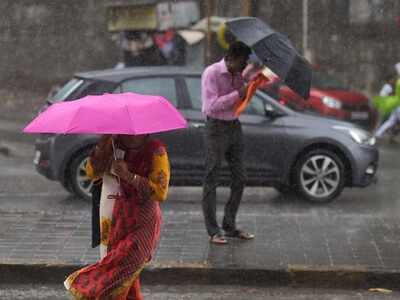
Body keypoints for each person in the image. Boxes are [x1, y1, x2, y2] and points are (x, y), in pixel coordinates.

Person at [64, 134, 170, 299]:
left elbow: (159, 192)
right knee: (125, 277)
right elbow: (92, 173)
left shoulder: (155, 150)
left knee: (117, 276)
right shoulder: (112, 143)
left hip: (143, 223)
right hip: (116, 220)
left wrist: (129, 176)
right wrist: (103, 150)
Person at [201, 41, 255, 245]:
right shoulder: (212, 73)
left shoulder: (239, 73)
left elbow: (239, 102)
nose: (243, 68)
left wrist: (250, 89)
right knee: (212, 177)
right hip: (215, 128)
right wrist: (238, 93)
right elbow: (211, 106)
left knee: (240, 177)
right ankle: (213, 230)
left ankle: (229, 225)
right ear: (230, 59)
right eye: (241, 64)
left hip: (234, 126)